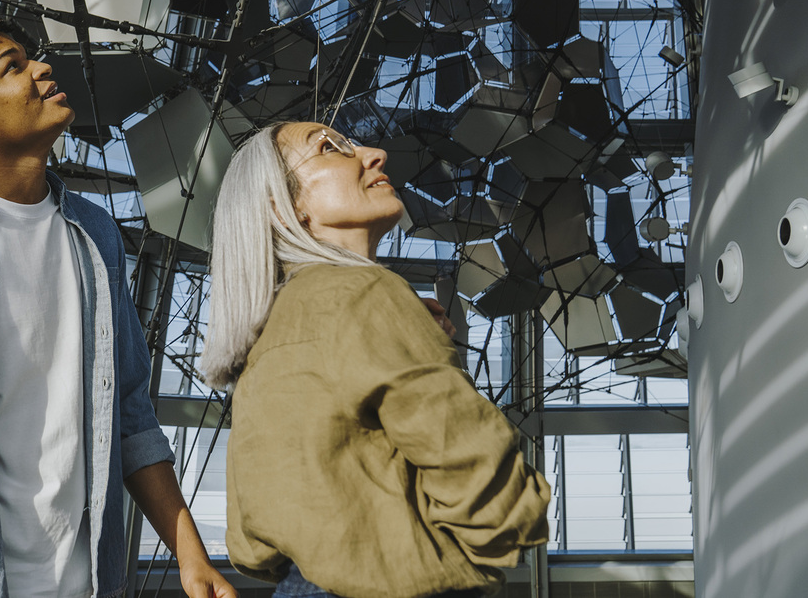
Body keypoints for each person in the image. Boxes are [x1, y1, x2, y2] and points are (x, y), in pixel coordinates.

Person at [0, 10, 236, 598]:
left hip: (91, 580)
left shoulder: (96, 234)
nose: (42, 68)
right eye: (14, 67)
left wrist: (190, 554)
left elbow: (130, 410)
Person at [200, 122, 551, 598]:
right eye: (329, 148)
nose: (376, 154)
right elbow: (479, 471)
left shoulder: (269, 332)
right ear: (286, 208)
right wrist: (473, 558)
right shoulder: (364, 294)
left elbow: (251, 539)